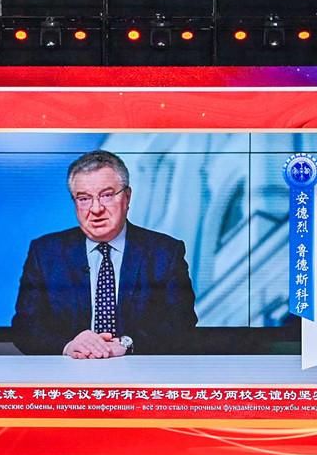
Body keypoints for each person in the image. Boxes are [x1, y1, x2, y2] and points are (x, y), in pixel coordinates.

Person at [10, 148, 196, 358]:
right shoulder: (45, 253)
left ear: (127, 197)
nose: (96, 209)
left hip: (139, 370)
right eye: (84, 198)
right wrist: (68, 345)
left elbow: (182, 324)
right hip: (69, 370)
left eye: (107, 195)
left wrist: (127, 343)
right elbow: (24, 328)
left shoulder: (165, 252)